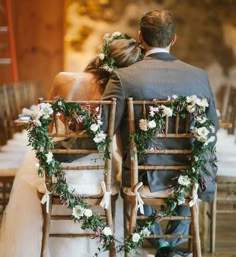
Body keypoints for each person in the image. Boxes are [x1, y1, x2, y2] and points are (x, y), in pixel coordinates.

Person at [0, 34, 143, 257]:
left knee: (31, 174)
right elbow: (116, 142)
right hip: (95, 174)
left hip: (55, 167)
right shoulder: (114, 94)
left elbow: (47, 129)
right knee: (111, 174)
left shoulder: (62, 78)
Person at [102, 10, 219, 257]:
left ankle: (162, 246)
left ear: (140, 38)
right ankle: (172, 247)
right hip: (187, 173)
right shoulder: (199, 77)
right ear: (173, 39)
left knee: (136, 173)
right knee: (192, 172)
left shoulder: (123, 78)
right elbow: (211, 130)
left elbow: (103, 129)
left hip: (140, 176)